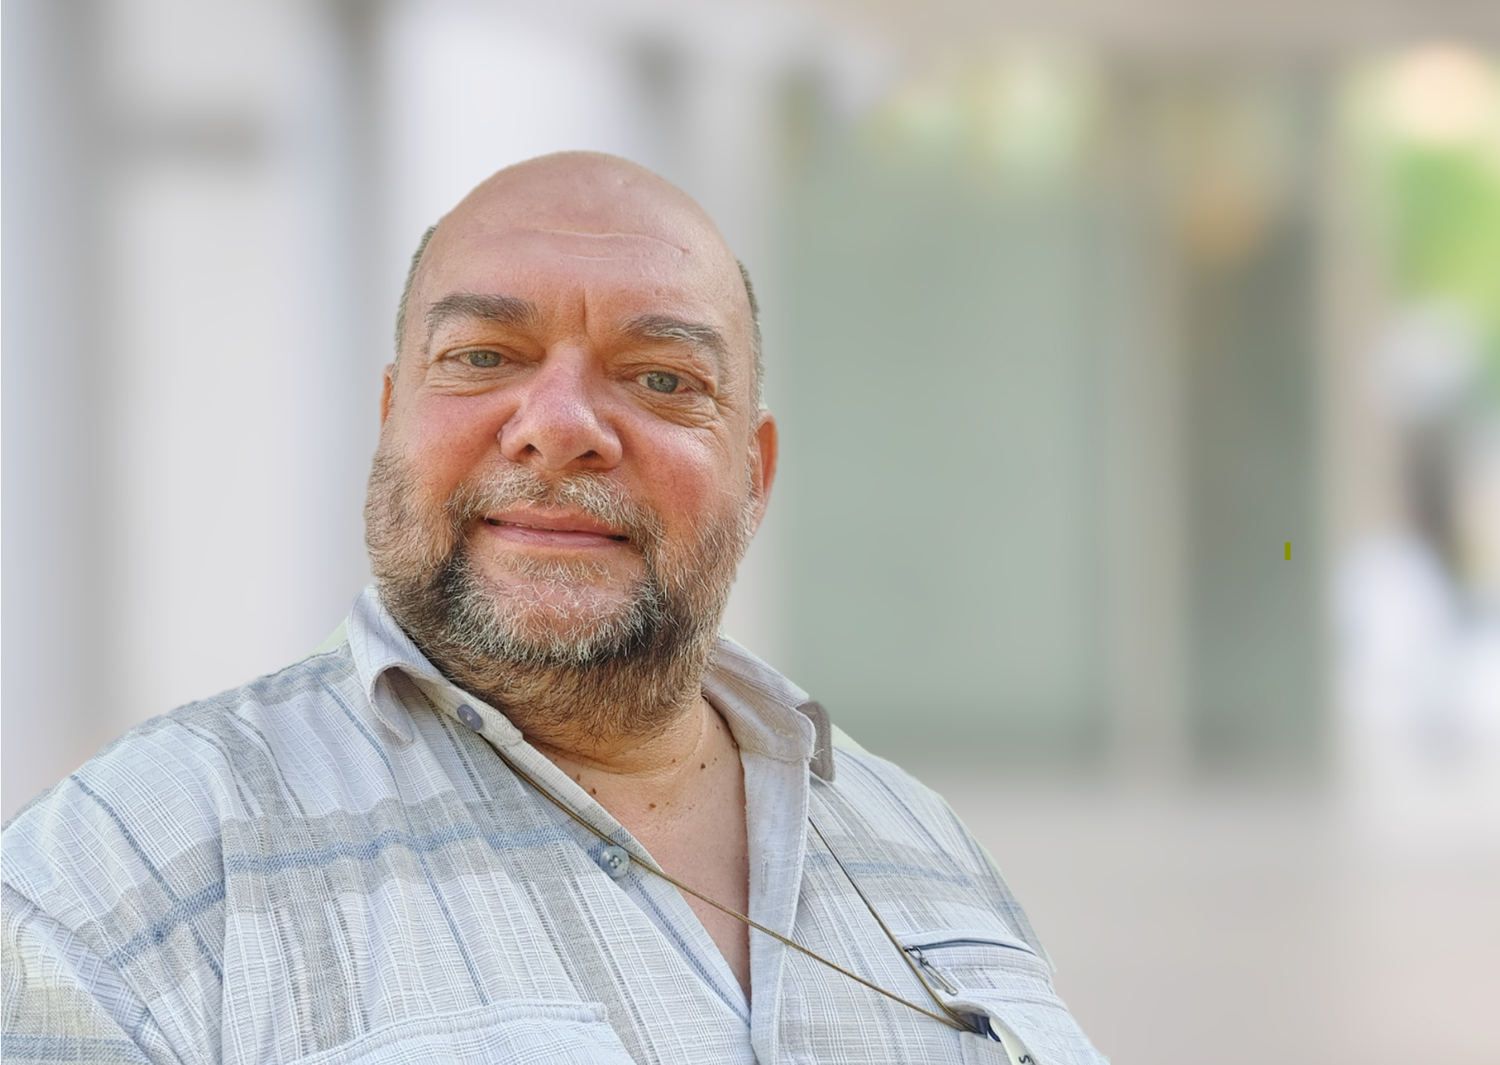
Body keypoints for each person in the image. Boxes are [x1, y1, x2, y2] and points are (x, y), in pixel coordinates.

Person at [2, 152, 1106, 1064]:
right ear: (393, 420)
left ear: (755, 473)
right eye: (484, 357)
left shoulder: (923, 844)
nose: (561, 423)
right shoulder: (118, 880)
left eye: (663, 377)